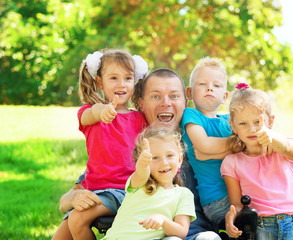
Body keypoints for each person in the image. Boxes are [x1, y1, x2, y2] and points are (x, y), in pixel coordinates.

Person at [56, 68, 221, 240]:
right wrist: (72, 197)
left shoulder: (205, 141)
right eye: (155, 96)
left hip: (197, 234)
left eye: (174, 96)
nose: (166, 103)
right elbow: (71, 197)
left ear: (185, 102)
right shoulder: (131, 152)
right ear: (141, 104)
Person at [52, 48, 149, 240]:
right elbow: (90, 114)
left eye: (128, 78)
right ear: (99, 82)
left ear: (135, 81)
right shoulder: (91, 114)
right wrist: (101, 111)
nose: (121, 84)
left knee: (77, 220)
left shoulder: (140, 118)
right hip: (92, 189)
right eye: (113, 78)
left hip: (123, 190)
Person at [221, 83, 293, 239]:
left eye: (257, 122)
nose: (251, 129)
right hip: (260, 227)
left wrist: (272, 138)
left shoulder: (283, 149)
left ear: (270, 122)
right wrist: (230, 218)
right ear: (233, 126)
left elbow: (289, 148)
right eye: (243, 123)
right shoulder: (231, 162)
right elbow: (236, 204)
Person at [103, 127, 196, 239]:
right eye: (155, 158)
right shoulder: (139, 184)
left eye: (170, 155)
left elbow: (181, 232)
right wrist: (143, 164)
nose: (164, 162)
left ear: (180, 160)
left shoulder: (183, 194)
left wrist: (163, 221)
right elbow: (142, 173)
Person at [180, 57, 232, 230]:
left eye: (217, 85)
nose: (210, 87)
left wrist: (221, 151)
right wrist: (238, 145)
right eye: (202, 84)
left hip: (240, 193)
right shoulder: (192, 116)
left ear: (225, 96)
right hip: (217, 200)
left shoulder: (229, 121)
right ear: (189, 93)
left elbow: (250, 147)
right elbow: (204, 145)